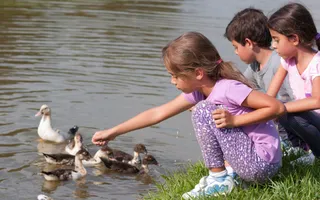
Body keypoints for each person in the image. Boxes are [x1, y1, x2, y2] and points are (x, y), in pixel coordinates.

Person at [92, 32, 285, 199]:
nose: (172, 81)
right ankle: (223, 176)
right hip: (252, 163)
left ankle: (219, 180)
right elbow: (157, 113)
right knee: (203, 109)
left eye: (175, 75)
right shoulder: (200, 91)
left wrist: (236, 121)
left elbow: (276, 107)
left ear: (198, 73)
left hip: (261, 165)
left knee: (202, 111)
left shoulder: (227, 88)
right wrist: (113, 132)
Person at [224, 7, 307, 152]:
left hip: (295, 127)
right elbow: (239, 87)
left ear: (248, 43)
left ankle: (300, 148)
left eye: (236, 47)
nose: (235, 53)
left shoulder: (278, 63)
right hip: (280, 127)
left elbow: (299, 99)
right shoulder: (255, 66)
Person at [267, 2, 320, 164]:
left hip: (315, 118)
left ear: (294, 39)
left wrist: (281, 108)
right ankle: (303, 149)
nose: (273, 46)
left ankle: (318, 155)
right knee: (283, 112)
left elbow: (317, 100)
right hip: (312, 120)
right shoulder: (288, 61)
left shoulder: (316, 64)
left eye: (276, 40)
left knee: (289, 112)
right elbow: (270, 96)